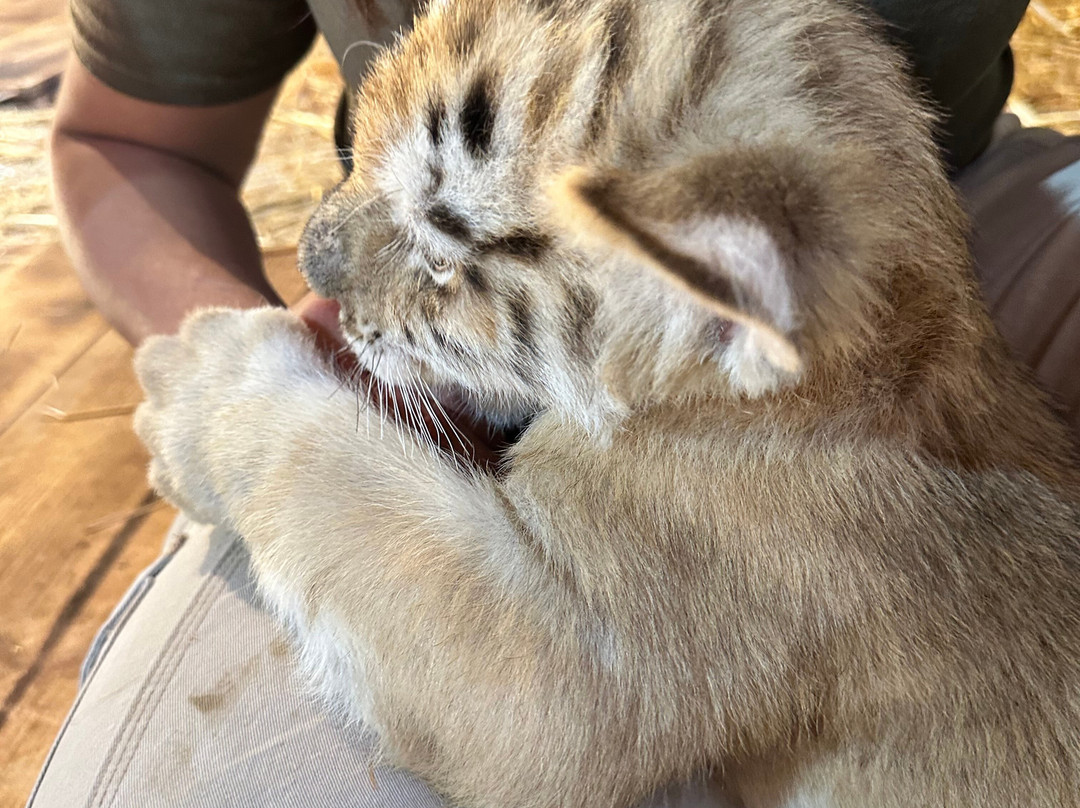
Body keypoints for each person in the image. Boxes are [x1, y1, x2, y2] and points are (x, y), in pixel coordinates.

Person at [30, 0, 1080, 806]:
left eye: (445, 251)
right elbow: (121, 139)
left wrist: (245, 418)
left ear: (713, 306)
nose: (327, 256)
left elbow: (519, 714)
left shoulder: (766, 446)